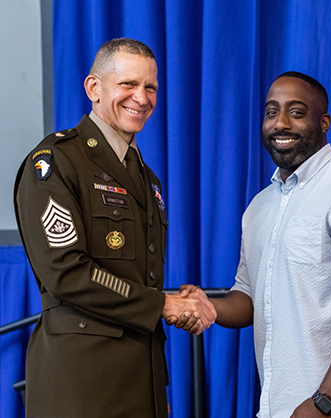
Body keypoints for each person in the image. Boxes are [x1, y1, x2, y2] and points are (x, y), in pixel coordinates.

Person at [14, 38, 216, 418]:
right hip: (81, 383)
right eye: (128, 84)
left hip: (141, 379)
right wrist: (165, 304)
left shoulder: (147, 179)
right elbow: (66, 272)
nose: (141, 98)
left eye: (150, 87)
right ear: (94, 88)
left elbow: (129, 279)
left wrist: (179, 301)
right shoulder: (55, 162)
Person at [178, 72, 331, 417]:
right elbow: (248, 297)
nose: (280, 123)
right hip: (281, 406)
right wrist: (212, 308)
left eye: (296, 112)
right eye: (271, 112)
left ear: (323, 122)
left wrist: (322, 401)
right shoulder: (260, 207)